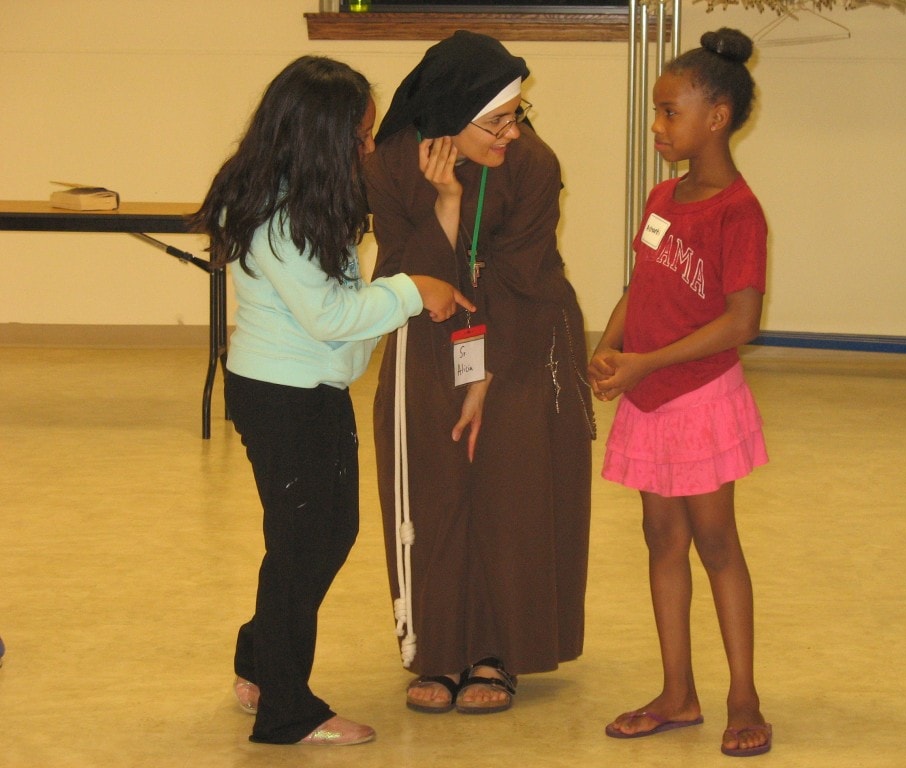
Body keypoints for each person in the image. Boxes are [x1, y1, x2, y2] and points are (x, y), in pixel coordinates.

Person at [190, 55, 473, 746]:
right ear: (319, 136)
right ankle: (288, 708)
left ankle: (259, 658)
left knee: (302, 537)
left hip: (306, 390)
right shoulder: (279, 214)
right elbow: (333, 317)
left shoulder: (300, 195)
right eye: (359, 136)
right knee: (312, 541)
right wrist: (417, 290)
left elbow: (338, 308)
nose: (368, 148)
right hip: (285, 398)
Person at [365, 31, 595, 716]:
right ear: (446, 119)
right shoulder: (390, 165)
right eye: (495, 121)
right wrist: (446, 206)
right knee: (434, 483)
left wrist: (486, 376)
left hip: (522, 333)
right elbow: (411, 269)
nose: (512, 131)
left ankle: (498, 649)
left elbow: (523, 277)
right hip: (429, 328)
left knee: (508, 488)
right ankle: (439, 646)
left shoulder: (532, 164)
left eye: (517, 114)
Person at [588, 28, 772, 757]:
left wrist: (647, 363)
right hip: (648, 397)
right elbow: (642, 286)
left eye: (670, 113)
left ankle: (743, 695)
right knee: (660, 539)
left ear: (716, 116)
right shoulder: (662, 196)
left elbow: (741, 320)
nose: (658, 126)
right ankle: (677, 692)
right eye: (658, 113)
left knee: (716, 543)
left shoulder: (738, 210)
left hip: (699, 398)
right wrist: (609, 347)